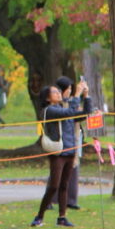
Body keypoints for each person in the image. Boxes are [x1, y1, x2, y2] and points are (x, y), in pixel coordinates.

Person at [32, 78, 92, 228]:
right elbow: (71, 112)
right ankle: (39, 216)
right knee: (54, 185)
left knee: (64, 185)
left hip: (70, 150)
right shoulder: (50, 110)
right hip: (58, 152)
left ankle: (62, 217)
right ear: (47, 97)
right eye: (54, 92)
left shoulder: (62, 109)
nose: (58, 93)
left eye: (58, 91)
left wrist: (86, 96)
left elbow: (84, 114)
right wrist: (76, 94)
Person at [50, 76, 85, 210]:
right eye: (68, 89)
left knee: (72, 168)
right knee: (57, 171)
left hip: (73, 139)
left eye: (71, 89)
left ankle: (71, 199)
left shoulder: (71, 102)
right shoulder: (55, 106)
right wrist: (77, 96)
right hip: (60, 142)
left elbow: (78, 115)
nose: (70, 91)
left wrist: (86, 101)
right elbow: (70, 114)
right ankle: (51, 200)